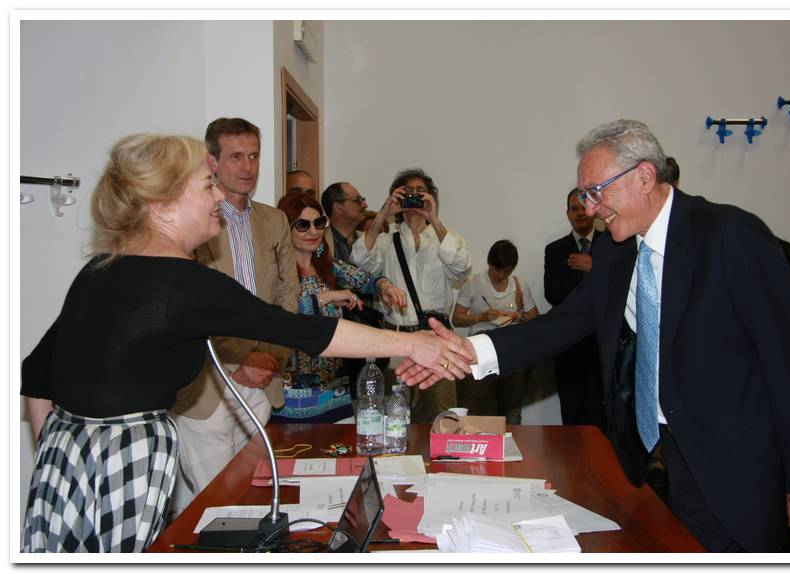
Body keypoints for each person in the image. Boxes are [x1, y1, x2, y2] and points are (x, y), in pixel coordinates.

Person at [19, 134, 470, 553]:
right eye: (206, 185)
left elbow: (36, 374)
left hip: (63, 457)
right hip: (127, 461)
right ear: (162, 206)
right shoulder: (183, 282)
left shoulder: (100, 269)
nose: (219, 196)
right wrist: (414, 345)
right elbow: (304, 331)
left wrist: (62, 455)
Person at [398, 119, 790, 552]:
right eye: (584, 195)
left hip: (738, 467)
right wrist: (470, 350)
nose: (590, 209)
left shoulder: (730, 236)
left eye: (596, 192)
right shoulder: (617, 251)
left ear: (645, 177)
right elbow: (562, 323)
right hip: (663, 462)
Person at [168, 117, 298, 516]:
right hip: (207, 384)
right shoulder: (193, 221)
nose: (247, 167)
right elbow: (187, 307)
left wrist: (270, 358)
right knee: (215, 505)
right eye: (236, 157)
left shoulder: (274, 220)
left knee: (249, 498)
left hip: (261, 382)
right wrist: (239, 359)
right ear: (212, 162)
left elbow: (287, 295)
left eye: (254, 156)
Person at [272, 192, 406, 422]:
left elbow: (365, 279)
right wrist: (324, 298)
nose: (313, 231)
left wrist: (385, 286)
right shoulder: (276, 270)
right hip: (290, 392)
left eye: (318, 223)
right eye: (303, 225)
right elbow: (277, 315)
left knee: (341, 444)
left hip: (333, 389)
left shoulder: (327, 266)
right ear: (286, 228)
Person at [352, 168, 472, 423]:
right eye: (408, 192)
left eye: (421, 192)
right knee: (394, 418)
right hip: (395, 341)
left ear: (432, 198)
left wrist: (434, 219)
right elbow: (359, 262)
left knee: (442, 418)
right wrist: (383, 213)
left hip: (437, 342)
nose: (415, 196)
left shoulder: (447, 240)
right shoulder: (385, 241)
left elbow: (461, 267)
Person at [451, 240, 538, 424]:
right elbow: (456, 318)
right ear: (489, 263)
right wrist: (482, 317)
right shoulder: (473, 283)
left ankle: (511, 440)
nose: (500, 275)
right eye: (496, 270)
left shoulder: (519, 286)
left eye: (506, 271)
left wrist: (518, 316)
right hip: (480, 348)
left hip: (511, 349)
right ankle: (470, 438)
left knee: (512, 409)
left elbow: (535, 319)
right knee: (473, 404)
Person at [543, 187, 605, 429]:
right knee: (572, 413)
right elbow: (553, 294)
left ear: (594, 211)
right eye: (574, 209)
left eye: (584, 208)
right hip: (569, 346)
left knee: (604, 417)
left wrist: (595, 267)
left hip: (605, 344)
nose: (580, 213)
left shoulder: (613, 245)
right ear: (567, 213)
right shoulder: (555, 250)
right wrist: (589, 275)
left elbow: (620, 289)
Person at [321, 182, 388, 387]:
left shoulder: (370, 243)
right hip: (336, 340)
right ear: (337, 207)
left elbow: (376, 277)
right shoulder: (319, 244)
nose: (364, 204)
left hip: (372, 337)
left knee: (372, 399)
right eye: (358, 200)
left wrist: (384, 285)